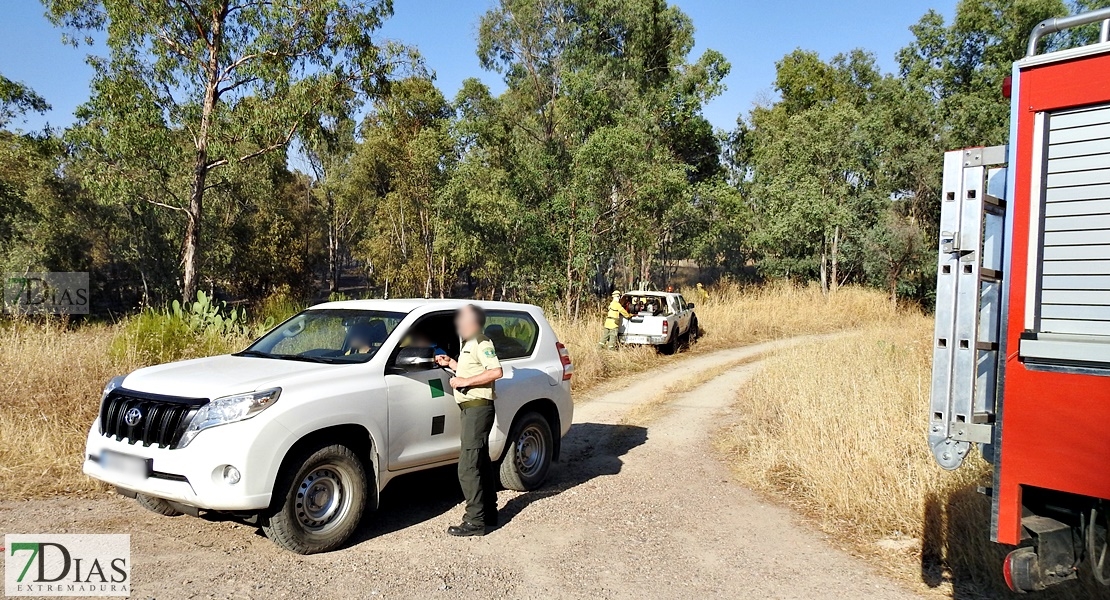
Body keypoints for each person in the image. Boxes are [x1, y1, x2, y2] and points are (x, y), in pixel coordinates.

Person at [434, 304, 503, 537]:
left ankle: (474, 521)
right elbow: (470, 370)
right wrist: (451, 365)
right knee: (480, 460)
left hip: (478, 408)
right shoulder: (468, 344)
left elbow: (496, 371)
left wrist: (464, 382)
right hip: (470, 408)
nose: (458, 323)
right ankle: (489, 513)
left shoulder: (482, 342)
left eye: (462, 319)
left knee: (467, 466)